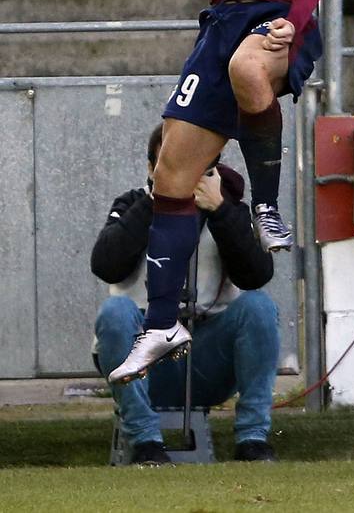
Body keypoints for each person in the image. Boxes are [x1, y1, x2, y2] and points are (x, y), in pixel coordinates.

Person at [98, 0, 339, 384]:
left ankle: (265, 207)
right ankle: (160, 324)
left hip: (278, 17)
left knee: (248, 68)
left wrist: (294, 21)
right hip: (221, 22)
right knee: (171, 176)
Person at [92, 123, 280, 465]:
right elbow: (106, 265)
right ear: (152, 168)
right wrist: (157, 201)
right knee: (115, 311)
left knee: (258, 307)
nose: (185, 171)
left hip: (205, 358)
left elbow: (257, 276)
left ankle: (253, 439)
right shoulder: (132, 203)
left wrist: (221, 211)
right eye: (174, 162)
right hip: (142, 360)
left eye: (196, 162)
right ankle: (146, 441)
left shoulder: (229, 209)